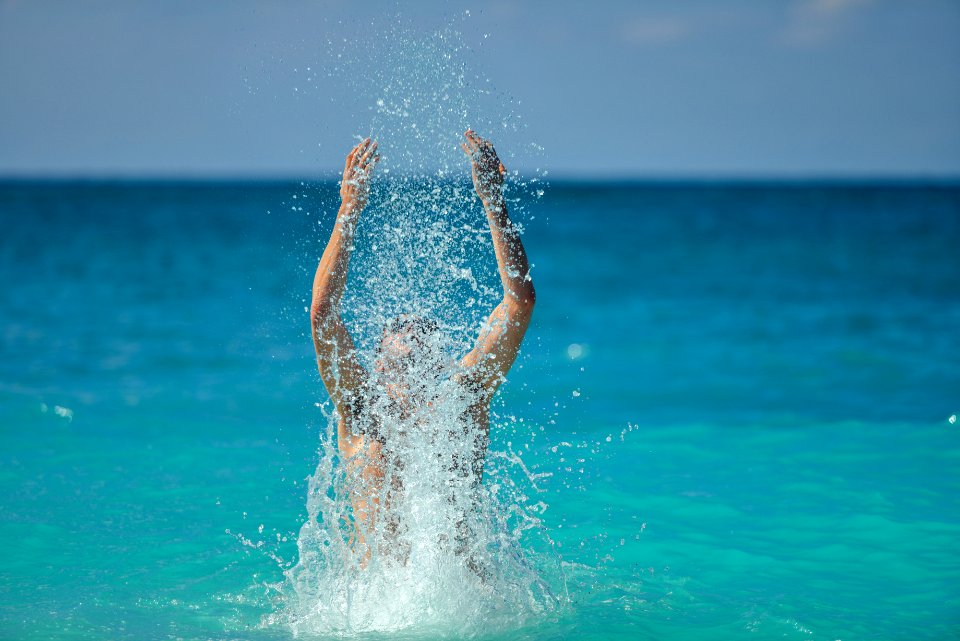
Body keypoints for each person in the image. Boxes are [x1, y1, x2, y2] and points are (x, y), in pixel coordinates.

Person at [310, 131, 535, 560]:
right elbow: (323, 313)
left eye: (423, 357)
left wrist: (493, 203)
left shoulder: (463, 401)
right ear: (376, 366)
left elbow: (519, 303)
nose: (412, 334)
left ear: (444, 364)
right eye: (399, 365)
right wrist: (349, 209)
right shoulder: (360, 411)